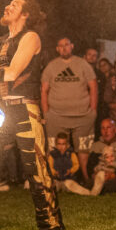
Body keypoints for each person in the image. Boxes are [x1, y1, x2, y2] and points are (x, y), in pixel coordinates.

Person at [0, 0, 64, 230]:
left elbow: (10, 74)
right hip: (2, 112)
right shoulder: (1, 41)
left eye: (15, 5)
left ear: (26, 14)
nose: (7, 6)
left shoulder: (30, 37)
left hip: (25, 109)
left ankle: (50, 224)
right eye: (8, 2)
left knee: (36, 169)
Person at [41, 37, 98, 181]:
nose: (64, 48)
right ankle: (52, 177)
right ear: (57, 49)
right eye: (60, 46)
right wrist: (46, 113)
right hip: (56, 115)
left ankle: (85, 177)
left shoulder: (83, 64)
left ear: (72, 46)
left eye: (66, 45)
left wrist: (93, 110)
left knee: (83, 148)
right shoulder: (51, 66)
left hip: (82, 115)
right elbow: (44, 90)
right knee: (54, 148)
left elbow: (93, 87)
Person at [85, 119, 116, 194]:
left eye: (108, 127)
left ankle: (98, 189)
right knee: (90, 182)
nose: (105, 131)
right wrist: (94, 175)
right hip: (100, 175)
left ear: (115, 129)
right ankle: (99, 185)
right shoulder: (96, 145)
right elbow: (90, 166)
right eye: (103, 128)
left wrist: (114, 175)